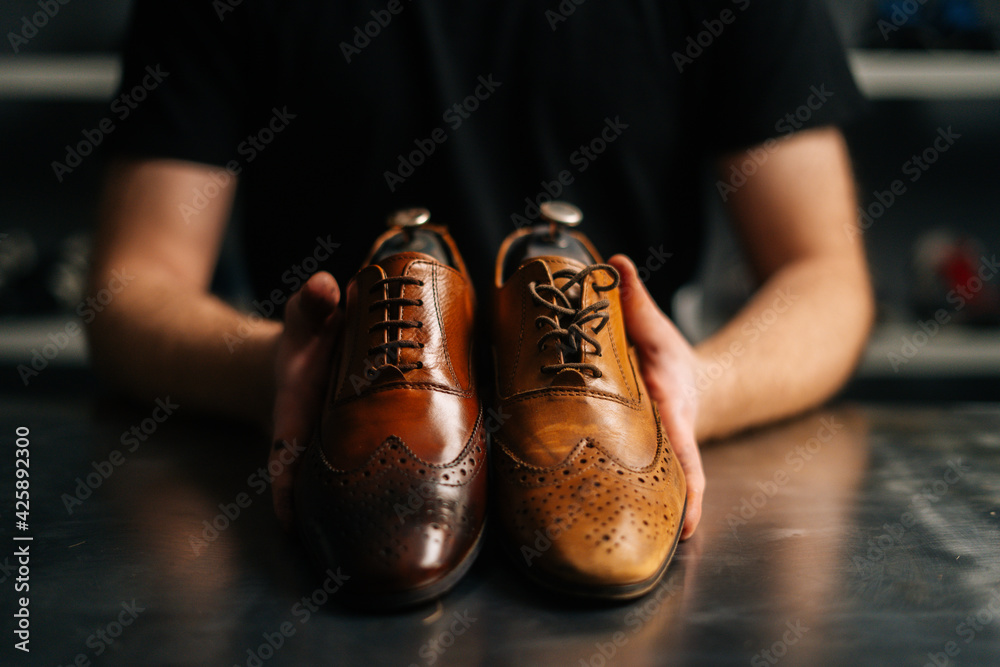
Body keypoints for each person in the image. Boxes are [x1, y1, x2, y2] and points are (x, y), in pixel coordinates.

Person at [86, 0, 875, 541]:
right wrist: (274, 371)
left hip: (612, 423)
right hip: (343, 423)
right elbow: (131, 288)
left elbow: (824, 271)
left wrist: (699, 389)